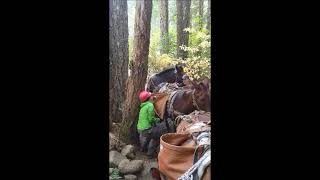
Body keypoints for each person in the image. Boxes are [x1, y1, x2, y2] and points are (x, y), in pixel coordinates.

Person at [137, 90, 160, 158]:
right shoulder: (150, 105)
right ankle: (150, 154)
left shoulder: (143, 106)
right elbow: (151, 119)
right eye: (151, 96)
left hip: (139, 128)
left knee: (147, 136)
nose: (152, 97)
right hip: (146, 129)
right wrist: (158, 120)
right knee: (157, 135)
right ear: (149, 98)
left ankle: (142, 148)